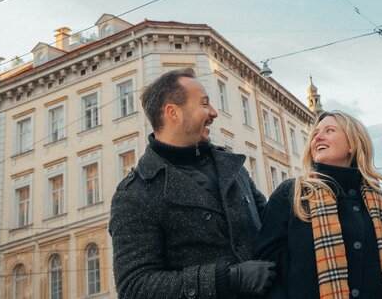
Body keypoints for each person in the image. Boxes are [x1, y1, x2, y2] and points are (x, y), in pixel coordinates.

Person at [109, 68, 276, 297]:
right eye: (204, 104)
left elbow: (271, 226)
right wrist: (226, 279)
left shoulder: (230, 164)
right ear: (173, 112)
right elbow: (134, 287)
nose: (214, 113)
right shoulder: (135, 193)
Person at [254, 110, 382, 298]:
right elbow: (266, 269)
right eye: (315, 133)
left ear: (352, 144)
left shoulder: (379, 203)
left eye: (329, 130)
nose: (318, 137)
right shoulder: (292, 193)